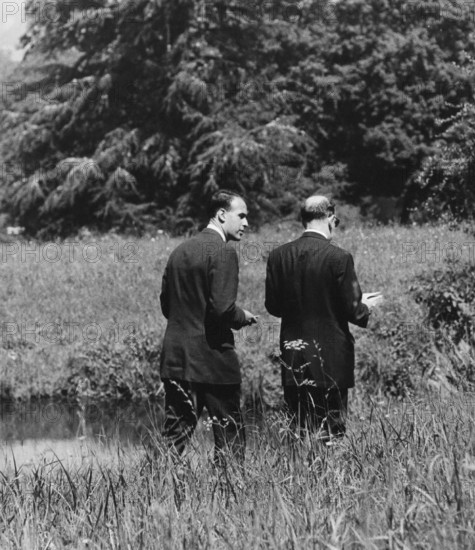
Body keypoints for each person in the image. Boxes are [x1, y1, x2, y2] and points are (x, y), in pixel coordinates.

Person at [265, 195, 382, 442]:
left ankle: (300, 477)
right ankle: (331, 479)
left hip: (294, 356)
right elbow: (353, 310)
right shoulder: (340, 258)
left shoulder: (278, 256)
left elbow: (273, 306)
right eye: (335, 220)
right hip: (331, 358)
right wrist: (365, 305)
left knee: (298, 431)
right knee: (333, 432)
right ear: (330, 218)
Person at [159, 190, 258, 462]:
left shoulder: (179, 251)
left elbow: (167, 307)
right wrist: (243, 317)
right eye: (242, 216)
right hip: (214, 360)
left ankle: (157, 495)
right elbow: (222, 309)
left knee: (174, 437)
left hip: (177, 359)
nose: (246, 223)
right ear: (222, 214)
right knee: (230, 437)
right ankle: (229, 498)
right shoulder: (223, 252)